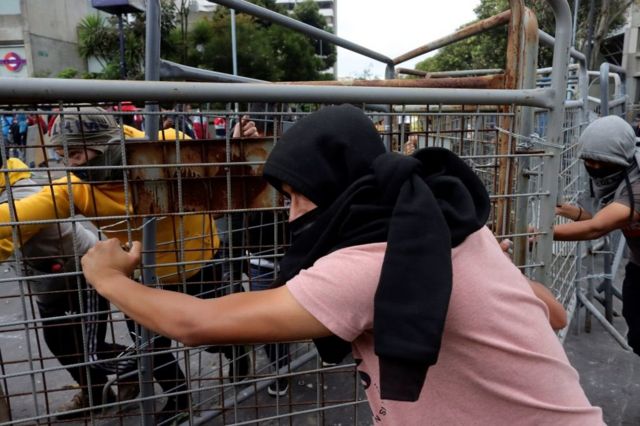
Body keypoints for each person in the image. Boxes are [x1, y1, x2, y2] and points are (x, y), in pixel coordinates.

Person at [81, 105, 603, 425]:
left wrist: (106, 276)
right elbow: (553, 315)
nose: (290, 215)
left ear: (335, 186)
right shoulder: (448, 226)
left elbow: (194, 323)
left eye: (295, 196)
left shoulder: (366, 266)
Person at [0, 107, 254, 423]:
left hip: (201, 265)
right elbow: (18, 214)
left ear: (104, 144)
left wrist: (237, 150)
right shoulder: (74, 187)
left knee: (214, 337)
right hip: (143, 280)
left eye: (75, 153)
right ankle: (178, 401)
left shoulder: (168, 146)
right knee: (152, 346)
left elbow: (222, 170)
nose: (69, 163)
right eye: (61, 155)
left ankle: (236, 351)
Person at [0, 157, 137, 418]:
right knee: (60, 342)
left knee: (89, 348)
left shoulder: (18, 192)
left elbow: (6, 241)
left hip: (80, 271)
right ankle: (97, 393)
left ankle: (136, 370)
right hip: (50, 281)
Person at [554, 115, 640, 356]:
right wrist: (573, 213)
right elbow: (603, 220)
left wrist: (540, 235)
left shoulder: (638, 185)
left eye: (601, 162)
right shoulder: (624, 176)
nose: (594, 168)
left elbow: (598, 228)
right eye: (589, 161)